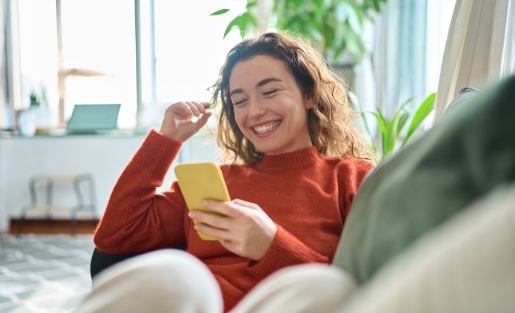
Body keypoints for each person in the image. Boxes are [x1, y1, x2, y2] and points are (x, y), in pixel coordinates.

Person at [81, 31, 375, 313]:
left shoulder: (351, 179)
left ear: (309, 94)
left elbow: (359, 290)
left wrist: (272, 245)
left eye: (269, 91)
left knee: (330, 287)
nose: (255, 111)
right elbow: (115, 237)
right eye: (240, 100)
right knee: (178, 272)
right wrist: (166, 141)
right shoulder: (214, 183)